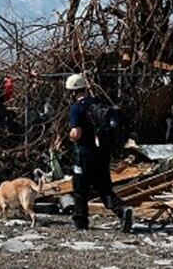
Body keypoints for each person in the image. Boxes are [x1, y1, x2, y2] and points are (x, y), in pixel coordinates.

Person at [66, 72, 133, 233]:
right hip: (102, 154)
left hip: (84, 155)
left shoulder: (77, 108)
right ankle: (122, 210)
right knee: (104, 188)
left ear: (73, 92)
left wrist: (70, 136)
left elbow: (76, 133)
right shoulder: (96, 103)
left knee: (80, 189)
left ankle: (81, 221)